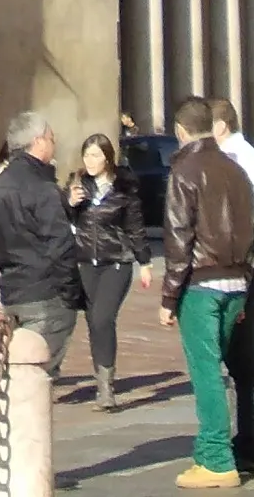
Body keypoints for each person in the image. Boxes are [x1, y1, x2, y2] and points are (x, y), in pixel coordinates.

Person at [159, 95, 254, 489]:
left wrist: (169, 298)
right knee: (217, 369)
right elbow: (251, 231)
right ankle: (206, 452)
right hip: (236, 280)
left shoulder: (184, 170)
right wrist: (246, 282)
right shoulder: (237, 169)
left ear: (180, 131)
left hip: (202, 284)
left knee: (207, 373)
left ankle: (218, 458)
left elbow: (178, 238)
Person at [0, 109, 83, 375]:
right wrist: (71, 295)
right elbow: (61, 246)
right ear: (38, 142)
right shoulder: (43, 188)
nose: (54, 143)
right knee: (35, 374)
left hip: (13, 293)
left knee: (18, 370)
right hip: (46, 295)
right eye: (51, 138)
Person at [65, 132, 152, 411]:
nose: (90, 161)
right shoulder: (77, 185)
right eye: (87, 155)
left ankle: (106, 388)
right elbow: (65, 222)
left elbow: (135, 229)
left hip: (117, 261)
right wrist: (70, 206)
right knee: (94, 323)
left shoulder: (124, 189)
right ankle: (103, 384)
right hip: (85, 263)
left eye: (96, 156)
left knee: (103, 318)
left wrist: (145, 262)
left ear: (108, 158)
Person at [210, 97, 254, 475]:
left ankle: (250, 442)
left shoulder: (241, 161)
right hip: (247, 265)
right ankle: (247, 439)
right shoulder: (241, 157)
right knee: (238, 359)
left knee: (243, 360)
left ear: (220, 126)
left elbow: (247, 221)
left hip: (246, 268)